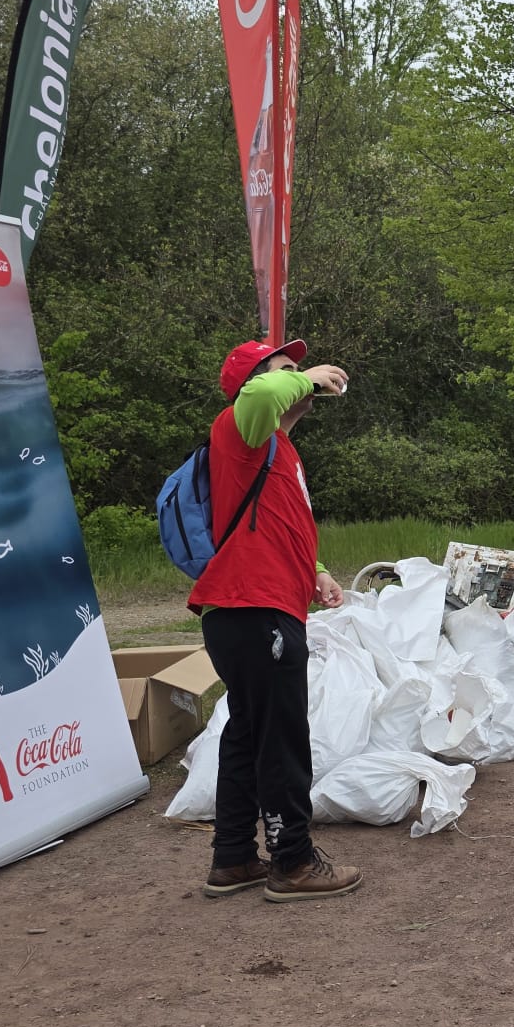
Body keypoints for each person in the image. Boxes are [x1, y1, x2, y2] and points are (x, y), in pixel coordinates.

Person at [189, 339, 360, 901]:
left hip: (248, 609)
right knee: (282, 738)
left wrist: (317, 572)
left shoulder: (275, 449)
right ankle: (293, 862)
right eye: (286, 369)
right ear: (253, 385)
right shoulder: (240, 428)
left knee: (247, 734)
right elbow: (262, 394)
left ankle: (233, 858)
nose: (300, 377)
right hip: (253, 608)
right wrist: (309, 376)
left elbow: (277, 526)